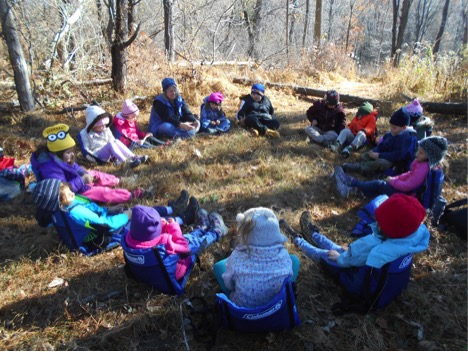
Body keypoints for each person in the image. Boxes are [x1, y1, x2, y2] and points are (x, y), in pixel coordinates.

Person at [280, 194, 429, 271]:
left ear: (389, 227)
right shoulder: (407, 238)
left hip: (348, 267)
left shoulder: (373, 244)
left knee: (324, 254)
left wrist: (341, 258)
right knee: (335, 247)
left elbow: (350, 260)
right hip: (358, 260)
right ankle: (313, 234)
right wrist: (348, 252)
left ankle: (298, 239)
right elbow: (358, 254)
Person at [31, 123, 151, 204]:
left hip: (79, 181)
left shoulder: (62, 158)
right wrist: (83, 180)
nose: (72, 155)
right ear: (57, 153)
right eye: (68, 152)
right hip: (75, 193)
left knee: (94, 173)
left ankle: (118, 181)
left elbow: (75, 167)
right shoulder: (50, 169)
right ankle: (132, 195)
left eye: (72, 151)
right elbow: (63, 189)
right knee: (103, 193)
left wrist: (84, 174)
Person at [32, 179, 201, 233]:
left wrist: (110, 210)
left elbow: (97, 213)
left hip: (109, 218)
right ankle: (183, 218)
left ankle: (172, 208)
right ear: (59, 202)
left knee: (139, 210)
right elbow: (106, 225)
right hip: (113, 230)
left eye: (70, 191)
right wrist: (125, 216)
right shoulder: (75, 212)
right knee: (145, 218)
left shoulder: (67, 207)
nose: (73, 194)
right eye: (68, 195)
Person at [213, 207, 300, 308]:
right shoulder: (283, 254)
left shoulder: (236, 257)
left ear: (244, 236)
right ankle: (288, 291)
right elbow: (289, 273)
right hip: (278, 308)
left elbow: (229, 284)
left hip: (243, 311)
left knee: (218, 266)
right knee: (294, 260)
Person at [125, 205, 228, 280]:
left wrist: (162, 227)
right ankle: (216, 232)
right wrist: (174, 228)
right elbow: (184, 248)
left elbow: (148, 237)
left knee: (187, 238)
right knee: (192, 242)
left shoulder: (129, 239)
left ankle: (202, 228)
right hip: (175, 270)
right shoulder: (165, 244)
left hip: (154, 269)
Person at [334, 136, 448, 198]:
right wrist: (394, 179)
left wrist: (392, 182)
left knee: (379, 184)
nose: (417, 154)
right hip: (403, 190)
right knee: (380, 186)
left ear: (431, 157)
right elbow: (408, 174)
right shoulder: (421, 163)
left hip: (406, 195)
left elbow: (409, 186)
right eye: (418, 150)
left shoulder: (423, 169)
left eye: (421, 153)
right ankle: (352, 189)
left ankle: (351, 184)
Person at [342, 107, 417, 176]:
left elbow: (398, 156)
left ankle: (360, 168)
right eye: (390, 126)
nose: (391, 129)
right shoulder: (391, 134)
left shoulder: (408, 138)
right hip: (384, 155)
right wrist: (375, 151)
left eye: (394, 128)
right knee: (365, 155)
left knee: (381, 163)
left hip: (395, 163)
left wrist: (379, 155)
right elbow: (383, 145)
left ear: (404, 128)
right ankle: (371, 169)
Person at [79, 105, 148, 168]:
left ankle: (133, 157)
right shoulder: (84, 133)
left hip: (110, 153)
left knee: (116, 141)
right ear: (93, 125)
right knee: (111, 144)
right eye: (100, 126)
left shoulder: (105, 129)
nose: (103, 127)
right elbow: (86, 149)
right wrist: (92, 158)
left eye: (104, 125)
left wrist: (114, 156)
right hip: (97, 155)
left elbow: (112, 140)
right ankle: (125, 162)